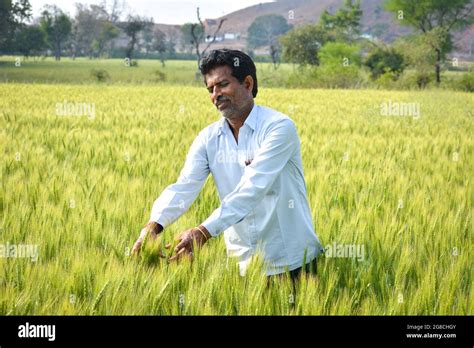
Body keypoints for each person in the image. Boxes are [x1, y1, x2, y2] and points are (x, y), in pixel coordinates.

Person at [132, 49, 324, 281]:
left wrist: (202, 232)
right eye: (211, 89)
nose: (216, 94)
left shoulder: (279, 127)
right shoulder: (208, 138)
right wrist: (154, 226)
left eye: (223, 84)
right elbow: (184, 186)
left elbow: (252, 188)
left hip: (292, 260)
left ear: (247, 83)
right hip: (242, 263)